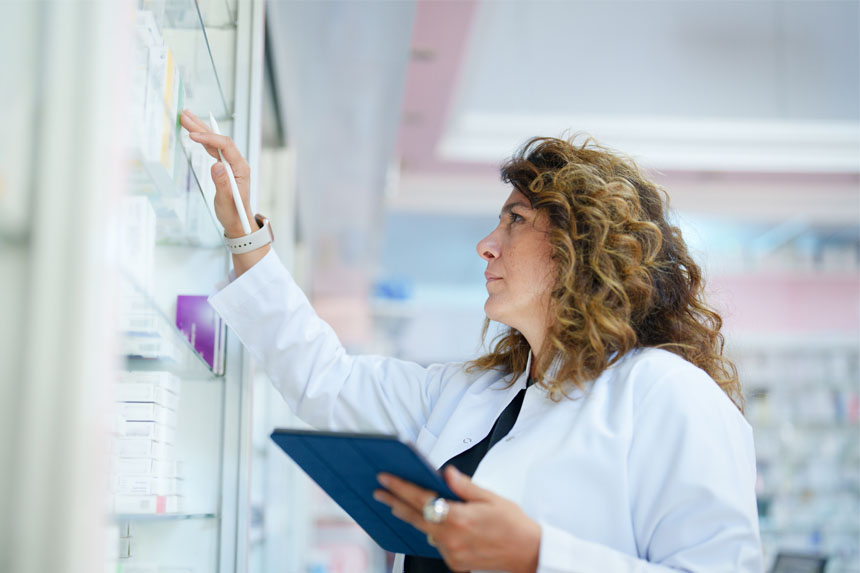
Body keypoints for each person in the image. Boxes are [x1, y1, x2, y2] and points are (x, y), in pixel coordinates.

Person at [180, 109, 762, 573]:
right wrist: (242, 234)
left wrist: (538, 558)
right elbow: (326, 380)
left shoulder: (667, 394)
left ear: (581, 247)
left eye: (515, 220)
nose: (487, 243)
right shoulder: (476, 393)